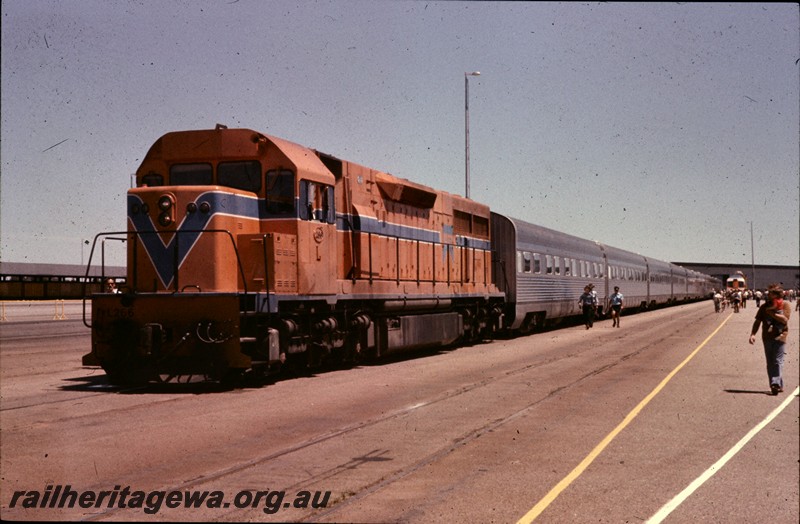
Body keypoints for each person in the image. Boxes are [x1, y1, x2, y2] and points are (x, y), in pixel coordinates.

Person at [748, 285, 791, 395]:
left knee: (777, 360)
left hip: (781, 336)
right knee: (770, 362)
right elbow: (757, 321)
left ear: (777, 295)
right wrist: (753, 334)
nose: (768, 295)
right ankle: (778, 384)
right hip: (767, 337)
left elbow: (785, 320)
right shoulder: (764, 307)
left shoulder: (785, 305)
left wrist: (772, 313)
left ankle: (775, 383)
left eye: (771, 293)